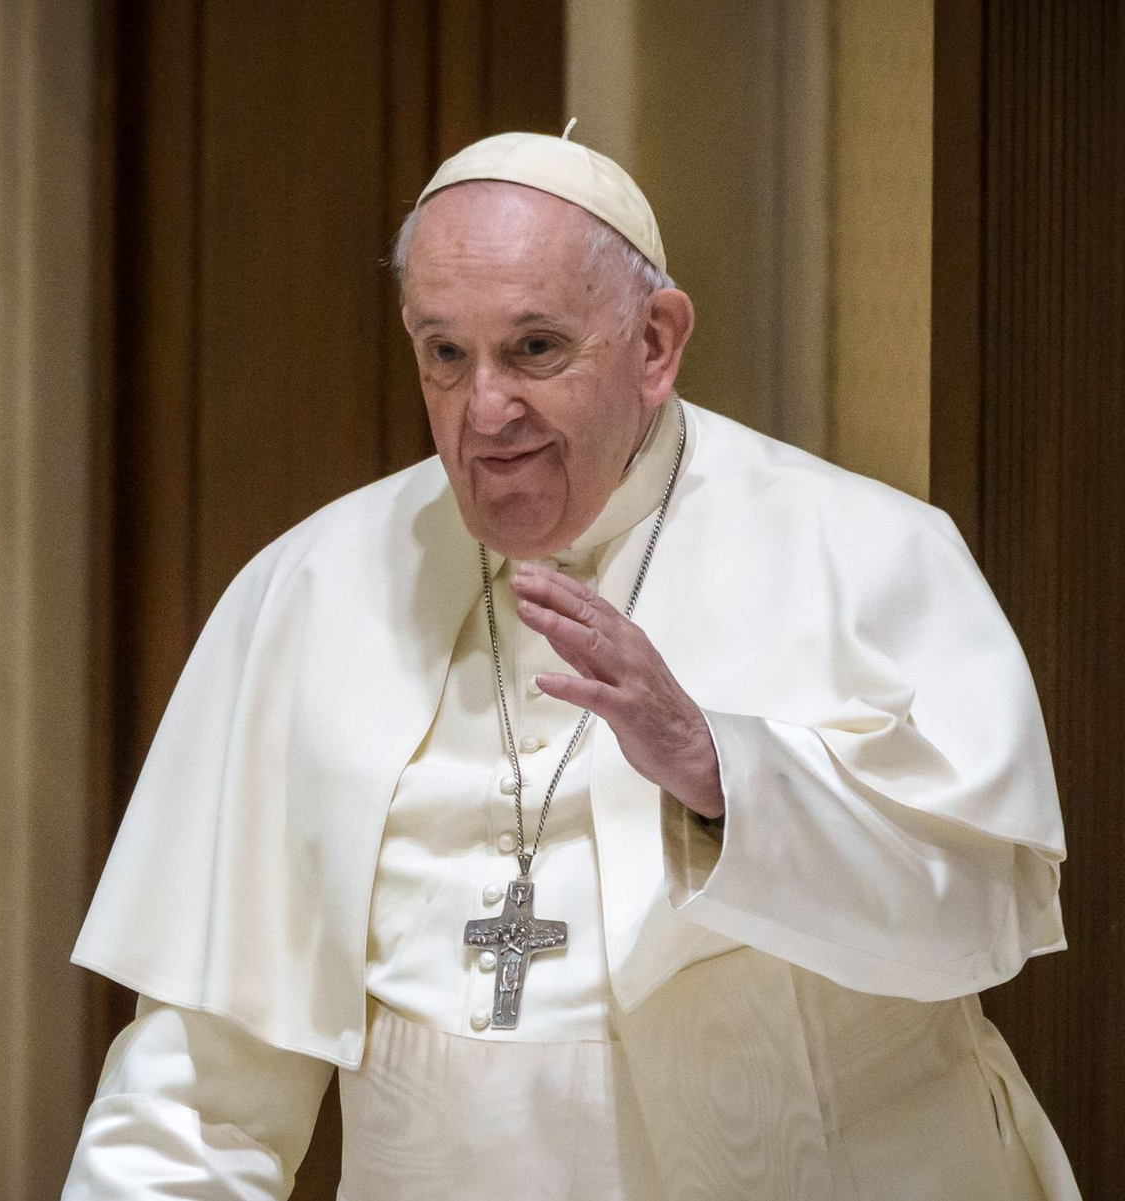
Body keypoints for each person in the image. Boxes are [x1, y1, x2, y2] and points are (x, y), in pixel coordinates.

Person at [63, 129, 1080, 1199]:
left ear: (655, 343)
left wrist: (723, 775)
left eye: (535, 348)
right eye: (445, 354)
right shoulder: (309, 592)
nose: (485, 411)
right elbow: (197, 1091)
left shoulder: (866, 555)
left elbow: (982, 920)